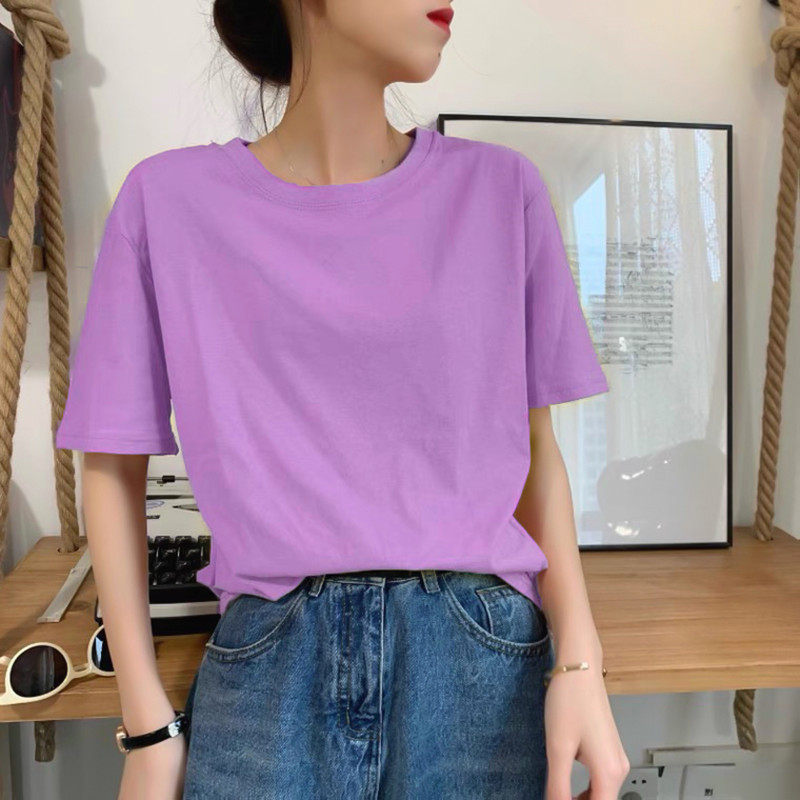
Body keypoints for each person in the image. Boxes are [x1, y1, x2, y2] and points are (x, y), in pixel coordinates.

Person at [55, 1, 630, 798]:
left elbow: (536, 454)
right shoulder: (167, 201)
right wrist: (147, 725)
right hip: (270, 666)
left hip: (477, 666)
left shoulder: (502, 191)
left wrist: (580, 661)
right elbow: (111, 462)